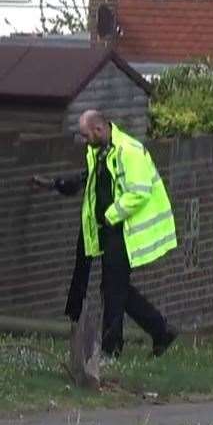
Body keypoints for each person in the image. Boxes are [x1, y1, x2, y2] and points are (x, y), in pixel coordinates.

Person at [30, 110, 178, 358]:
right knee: (114, 288)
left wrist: (110, 215)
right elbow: (89, 182)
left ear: (99, 130)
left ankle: (114, 349)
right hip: (112, 231)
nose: (84, 140)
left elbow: (139, 193)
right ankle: (159, 330)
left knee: (113, 289)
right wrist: (56, 184)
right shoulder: (100, 151)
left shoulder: (130, 151)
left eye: (87, 135)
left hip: (126, 231)